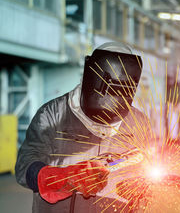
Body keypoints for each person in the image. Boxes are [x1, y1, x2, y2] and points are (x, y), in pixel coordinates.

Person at [15, 42, 147, 212]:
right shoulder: (52, 114)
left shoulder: (139, 122)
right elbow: (24, 168)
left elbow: (147, 165)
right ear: (91, 79)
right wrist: (64, 179)